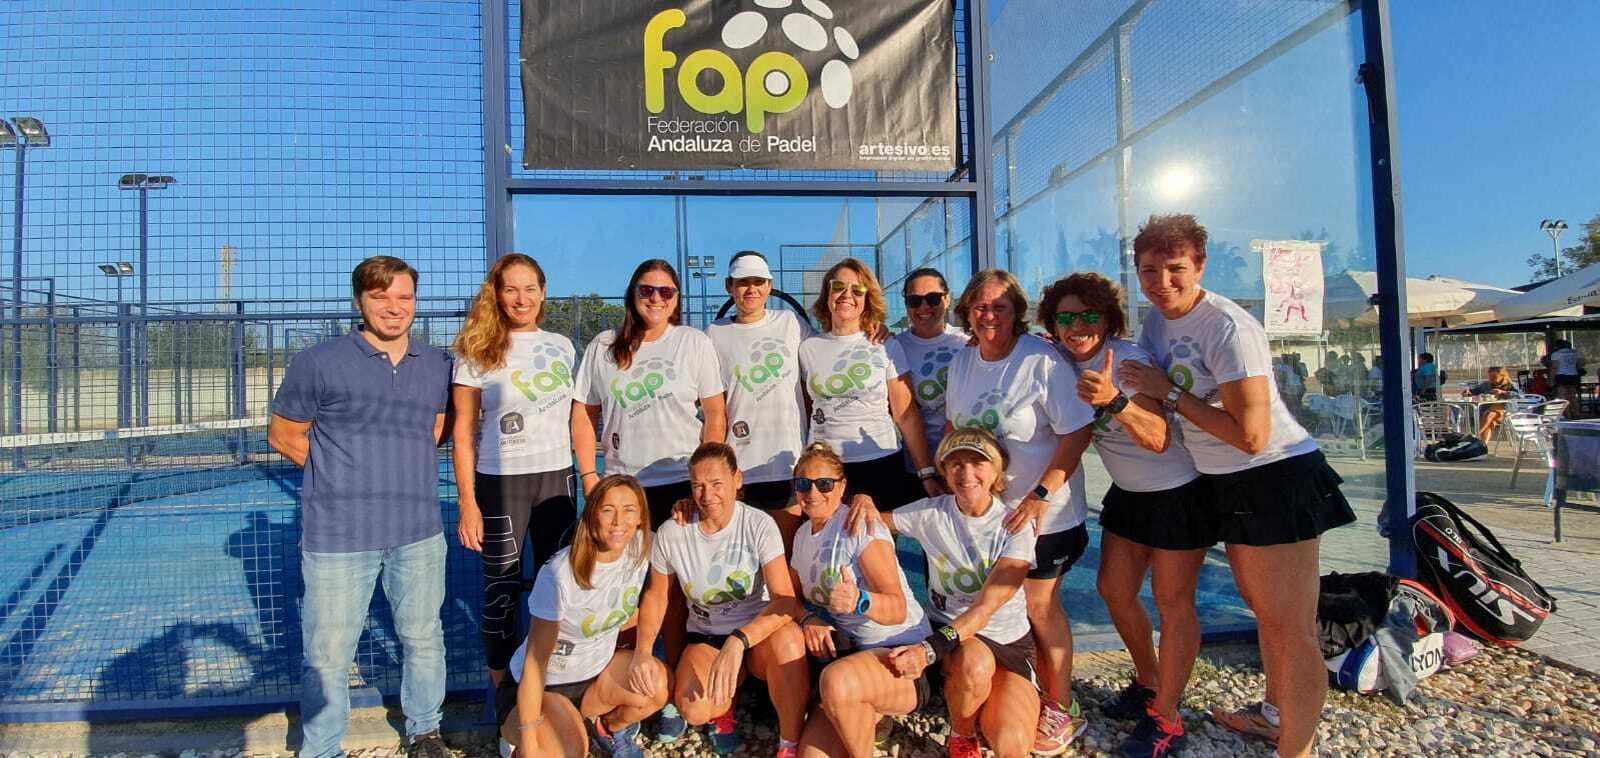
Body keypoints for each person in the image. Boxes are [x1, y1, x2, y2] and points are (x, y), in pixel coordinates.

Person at [1116, 214, 1356, 758]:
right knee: (1262, 609)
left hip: (1274, 475)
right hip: (1224, 482)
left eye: (1176, 269)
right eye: (1149, 270)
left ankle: (1296, 748)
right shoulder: (1156, 323)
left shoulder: (1226, 326)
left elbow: (1251, 435)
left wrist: (1168, 395)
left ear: (1200, 265)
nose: (1162, 281)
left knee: (1290, 625)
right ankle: (1275, 714)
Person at [267, 256, 454, 758]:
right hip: (338, 537)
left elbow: (436, 429)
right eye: (381, 297)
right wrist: (338, 469)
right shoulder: (319, 362)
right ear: (359, 301)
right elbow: (283, 434)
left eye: (404, 298)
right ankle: (323, 747)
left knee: (423, 639)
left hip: (417, 531)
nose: (394, 308)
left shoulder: (436, 365)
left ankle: (424, 730)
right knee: (328, 655)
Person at [1039, 272, 1209, 756]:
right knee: (1114, 590)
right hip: (1130, 494)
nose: (1078, 326)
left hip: (1176, 493)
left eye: (1088, 315)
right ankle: (1150, 681)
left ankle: (1168, 719)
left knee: (1173, 604)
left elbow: (1158, 439)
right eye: (1066, 317)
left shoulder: (1128, 361)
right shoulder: (1060, 360)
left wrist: (1114, 401)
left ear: (1107, 318)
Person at [943, 269, 1095, 754]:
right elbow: (953, 426)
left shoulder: (1041, 360)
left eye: (999, 307)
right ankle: (1015, 691)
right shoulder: (964, 362)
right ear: (967, 311)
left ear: (1017, 314)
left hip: (1043, 517)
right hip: (992, 520)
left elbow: (1077, 433)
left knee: (1038, 607)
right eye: (980, 307)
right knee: (1004, 612)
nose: (989, 315)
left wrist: (1039, 496)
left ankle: (1062, 707)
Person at [850, 428, 1041, 758]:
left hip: (1007, 643)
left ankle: (972, 697)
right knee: (974, 665)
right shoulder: (931, 512)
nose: (967, 474)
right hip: (958, 644)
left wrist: (926, 651)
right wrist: (862, 499)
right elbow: (873, 522)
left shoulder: (1014, 524)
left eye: (978, 463)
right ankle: (962, 735)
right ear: (944, 470)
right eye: (956, 464)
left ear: (997, 470)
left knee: (1012, 745)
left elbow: (984, 610)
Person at [629, 442, 809, 757]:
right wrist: (643, 652)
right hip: (707, 636)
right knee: (695, 710)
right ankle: (729, 700)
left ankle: (789, 744)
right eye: (698, 485)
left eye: (716, 484)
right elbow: (657, 597)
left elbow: (784, 600)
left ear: (737, 480)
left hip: (754, 636)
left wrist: (739, 641)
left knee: (790, 641)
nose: (707, 495)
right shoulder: (673, 532)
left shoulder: (758, 524)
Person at [451, 253, 579, 687]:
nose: (521, 299)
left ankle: (552, 683)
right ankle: (504, 696)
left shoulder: (562, 346)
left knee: (558, 588)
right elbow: (463, 430)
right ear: (497, 294)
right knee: (500, 594)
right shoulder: (476, 348)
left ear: (543, 293)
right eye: (511, 289)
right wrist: (467, 502)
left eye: (530, 288)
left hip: (557, 480)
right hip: (500, 485)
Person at [498, 474, 669, 758]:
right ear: (591, 516)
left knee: (656, 687)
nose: (618, 522)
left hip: (594, 679)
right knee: (571, 750)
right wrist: (529, 745)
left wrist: (643, 651)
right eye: (607, 510)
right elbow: (534, 664)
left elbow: (688, 538)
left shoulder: (642, 546)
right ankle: (518, 740)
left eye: (629, 510)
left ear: (641, 517)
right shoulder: (559, 575)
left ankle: (607, 728)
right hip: (541, 686)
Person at [785, 441, 931, 758]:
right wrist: (808, 618)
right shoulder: (800, 536)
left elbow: (897, 608)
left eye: (824, 484)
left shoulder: (860, 526)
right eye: (803, 484)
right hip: (852, 660)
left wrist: (860, 601)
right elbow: (789, 598)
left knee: (835, 682)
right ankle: (872, 715)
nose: (813, 493)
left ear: (842, 487)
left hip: (901, 654)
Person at [571, 259, 727, 528]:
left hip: (680, 483)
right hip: (621, 484)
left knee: (676, 571)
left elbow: (715, 417)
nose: (656, 298)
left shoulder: (693, 342)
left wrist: (700, 483)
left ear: (676, 298)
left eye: (666, 292)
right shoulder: (603, 345)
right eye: (646, 290)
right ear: (633, 293)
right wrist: (588, 476)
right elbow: (583, 414)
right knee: (622, 569)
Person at [800, 258, 942, 509]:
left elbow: (906, 415)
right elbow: (809, 408)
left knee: (877, 546)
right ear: (827, 292)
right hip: (825, 469)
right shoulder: (808, 348)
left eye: (857, 290)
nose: (847, 295)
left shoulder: (885, 345)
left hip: (880, 462)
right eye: (838, 287)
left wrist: (926, 471)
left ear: (867, 299)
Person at [705, 251, 814, 543]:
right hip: (738, 469)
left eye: (758, 282)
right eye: (743, 282)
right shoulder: (714, 333)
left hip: (788, 464)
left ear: (768, 286)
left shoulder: (791, 323)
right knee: (744, 560)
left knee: (787, 556)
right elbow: (714, 403)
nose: (751, 289)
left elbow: (820, 368)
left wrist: (870, 327)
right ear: (729, 286)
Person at [893, 267, 969, 457]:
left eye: (933, 298)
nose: (924, 307)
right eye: (914, 301)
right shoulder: (894, 347)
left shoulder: (968, 343)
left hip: (963, 459)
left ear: (947, 299)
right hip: (914, 463)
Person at [1465, 366, 1517, 440]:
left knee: (1489, 415)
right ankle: (1483, 446)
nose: (1491, 379)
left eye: (1494, 376)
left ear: (1502, 376)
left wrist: (1504, 392)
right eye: (1489, 376)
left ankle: (1475, 436)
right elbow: (1474, 391)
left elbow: (1520, 395)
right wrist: (1468, 392)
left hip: (1506, 412)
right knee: (1489, 423)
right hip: (1487, 411)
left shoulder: (1510, 385)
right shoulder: (1486, 385)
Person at [1545, 338, 1583, 418]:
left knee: (1562, 396)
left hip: (1561, 376)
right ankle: (1576, 413)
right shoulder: (1574, 352)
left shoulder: (1556, 354)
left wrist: (1551, 380)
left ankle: (1567, 415)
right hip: (1573, 376)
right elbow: (1581, 364)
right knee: (1572, 395)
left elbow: (1554, 368)